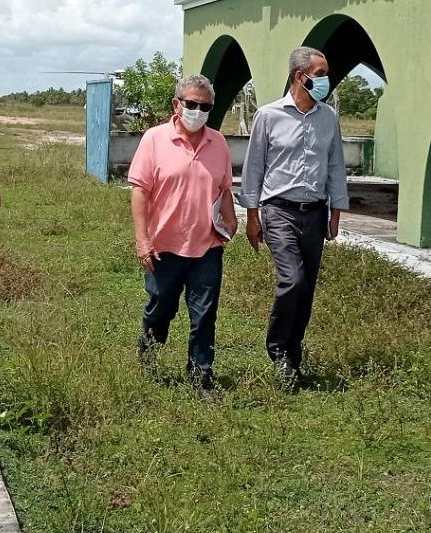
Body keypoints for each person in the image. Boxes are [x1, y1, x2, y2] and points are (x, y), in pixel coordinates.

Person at [241, 46, 350, 385]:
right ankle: (276, 349)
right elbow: (254, 167)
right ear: (299, 76)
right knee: (292, 280)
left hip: (314, 213)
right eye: (320, 75)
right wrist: (252, 215)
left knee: (307, 288)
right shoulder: (269, 115)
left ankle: (293, 352)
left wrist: (335, 212)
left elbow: (335, 165)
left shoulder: (328, 118)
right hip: (278, 211)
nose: (325, 81)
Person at [128, 75, 238, 399]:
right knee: (161, 309)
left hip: (206, 246)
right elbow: (139, 192)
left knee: (204, 314)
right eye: (192, 104)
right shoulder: (154, 139)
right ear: (177, 105)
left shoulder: (218, 142)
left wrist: (230, 218)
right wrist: (142, 239)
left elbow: (224, 187)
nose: (198, 111)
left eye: (205, 106)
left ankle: (201, 374)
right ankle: (149, 351)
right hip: (164, 247)